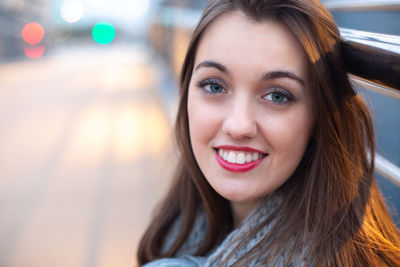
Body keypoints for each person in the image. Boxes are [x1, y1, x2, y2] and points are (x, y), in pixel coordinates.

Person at [138, 0, 400, 266]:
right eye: (214, 87)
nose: (238, 126)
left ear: (318, 118)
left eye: (277, 95)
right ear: (187, 95)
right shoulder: (185, 225)